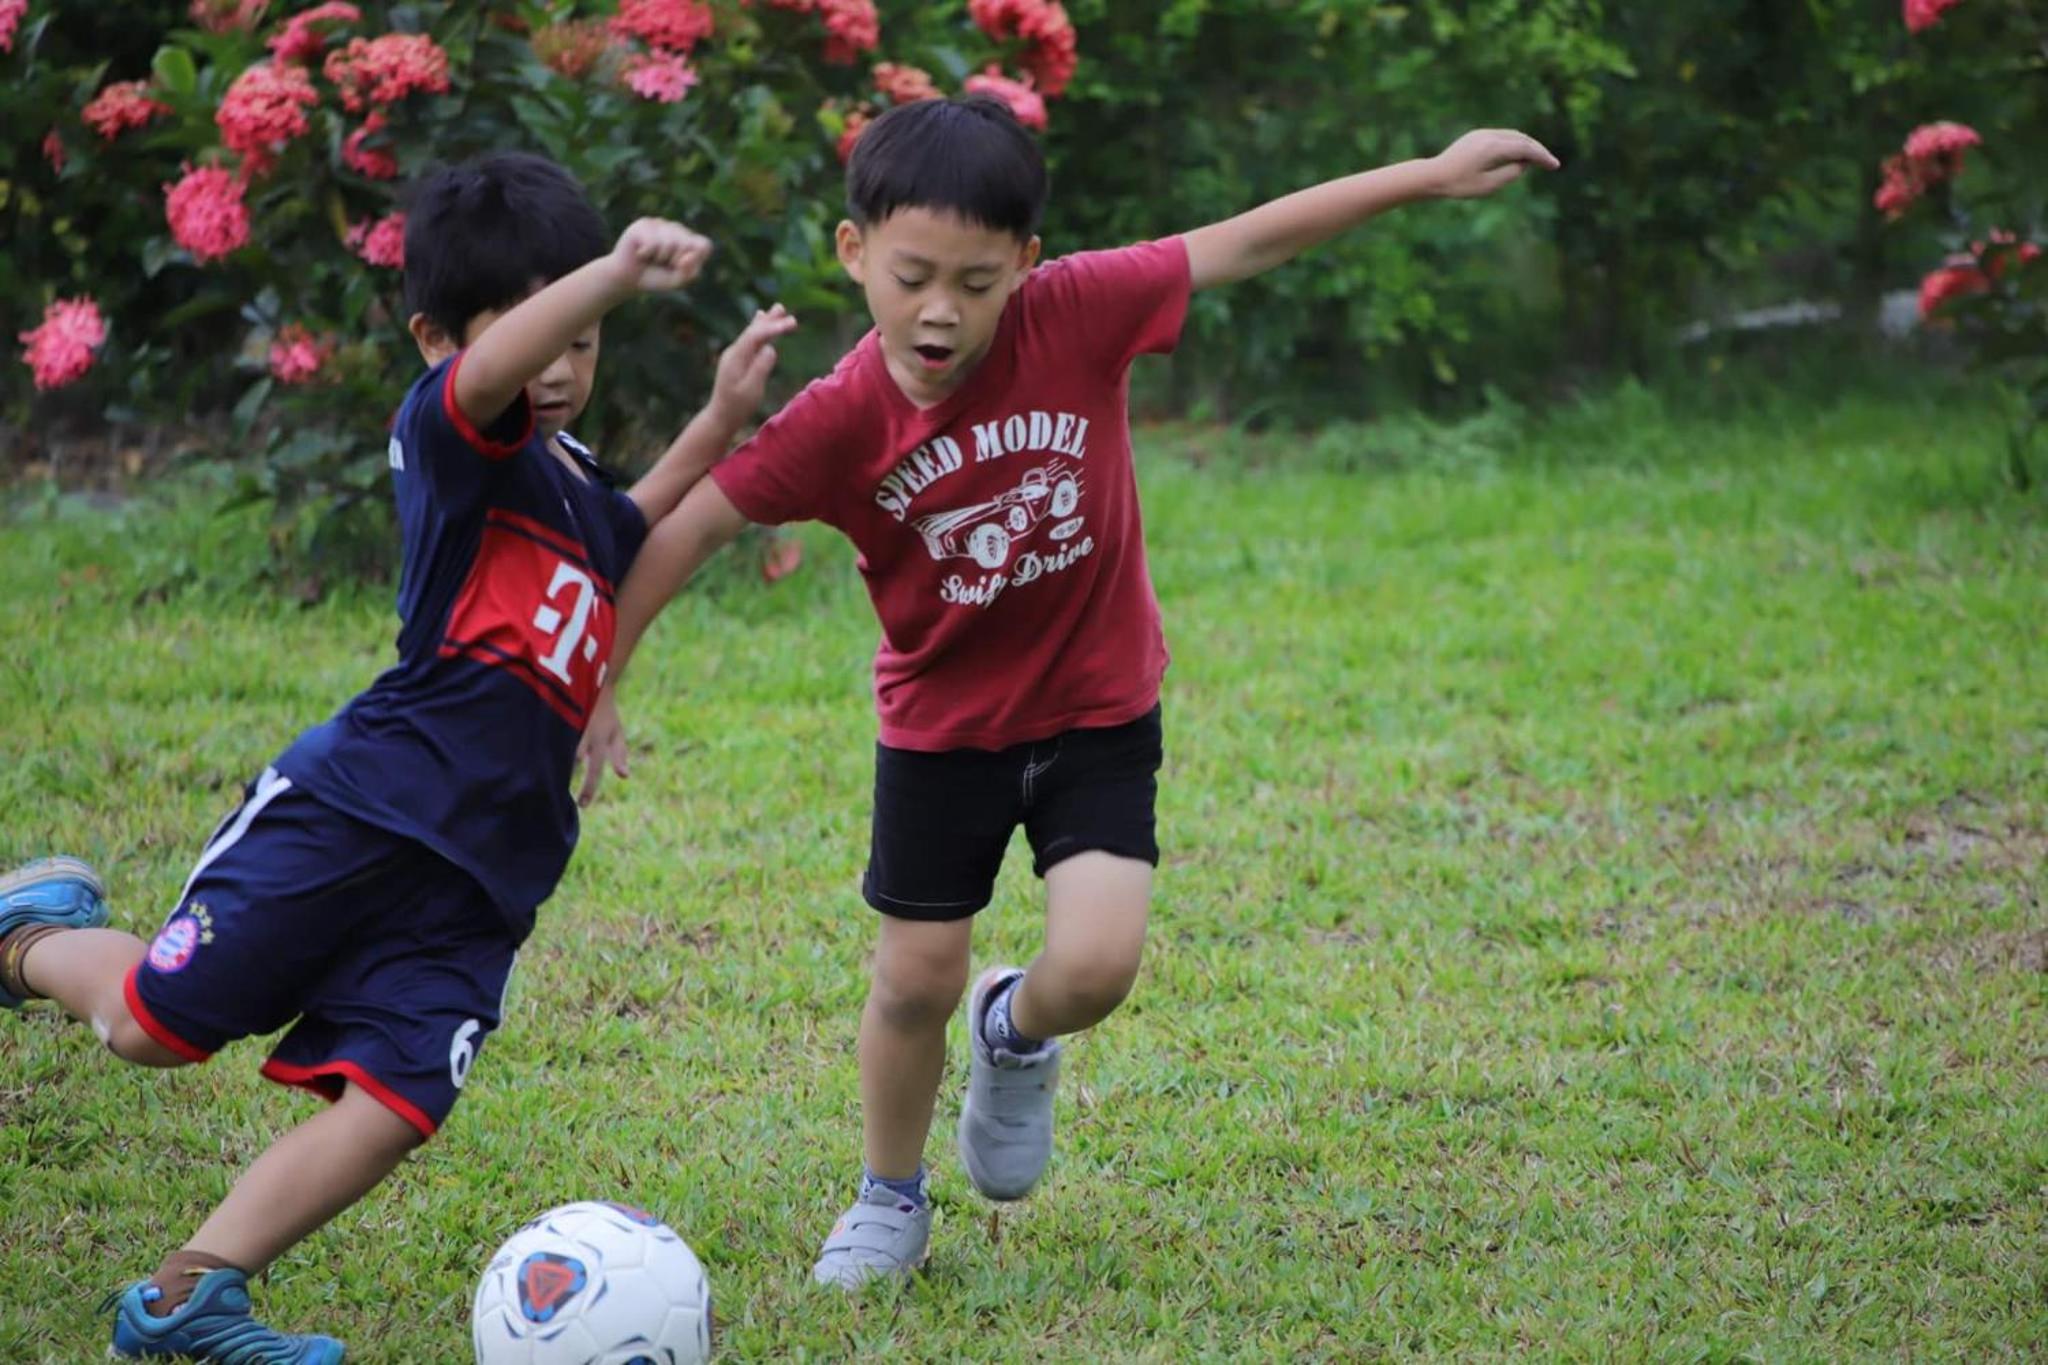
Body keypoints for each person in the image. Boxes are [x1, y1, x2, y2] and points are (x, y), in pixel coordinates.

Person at [579, 96, 1557, 1288]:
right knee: (912, 981)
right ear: (854, 254)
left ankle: (1013, 1030)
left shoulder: (1078, 309)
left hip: (1097, 711)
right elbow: (689, 528)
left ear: (1026, 263)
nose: (941, 311)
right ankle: (888, 1195)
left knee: (1095, 969)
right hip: (941, 735)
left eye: (977, 282)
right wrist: (602, 677)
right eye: (911, 277)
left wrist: (1426, 172)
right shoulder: (836, 419)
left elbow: (1245, 239)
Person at [0, 150, 793, 1360]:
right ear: (438, 339)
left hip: (488, 874)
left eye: (584, 344)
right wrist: (613, 272)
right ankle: (27, 936)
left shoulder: (570, 477)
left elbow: (629, 529)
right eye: (543, 334)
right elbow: (496, 377)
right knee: (153, 1030)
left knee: (399, 1098)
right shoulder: (450, 435)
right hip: (362, 809)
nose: (563, 366)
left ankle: (190, 1296)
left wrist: (725, 418)